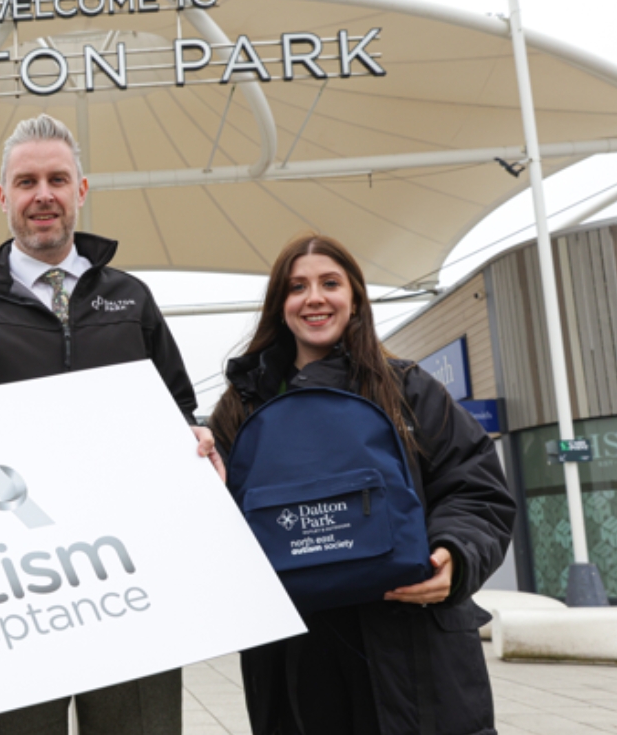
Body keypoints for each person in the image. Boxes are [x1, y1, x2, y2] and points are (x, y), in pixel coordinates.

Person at [0, 113, 213, 735]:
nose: (41, 194)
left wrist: (195, 436)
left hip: (129, 576)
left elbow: (178, 408)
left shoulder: (132, 299)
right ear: (2, 198)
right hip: (10, 591)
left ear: (81, 190)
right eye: (25, 182)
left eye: (56, 179)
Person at [208, 232, 515, 735]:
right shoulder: (241, 405)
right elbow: (213, 516)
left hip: (411, 637)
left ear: (354, 299)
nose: (314, 298)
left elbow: (475, 486)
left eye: (330, 283)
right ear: (279, 306)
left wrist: (455, 555)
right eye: (297, 287)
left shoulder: (406, 388)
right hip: (297, 654)